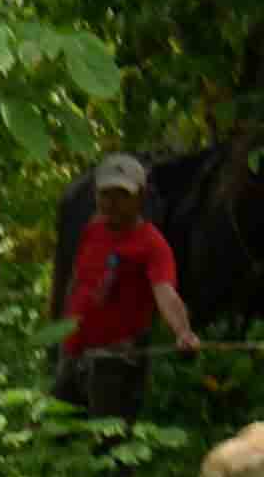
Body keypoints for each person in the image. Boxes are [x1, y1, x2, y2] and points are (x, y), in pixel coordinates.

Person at [56, 149, 204, 418]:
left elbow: (165, 291)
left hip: (115, 360)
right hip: (72, 349)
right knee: (58, 429)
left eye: (122, 195)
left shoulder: (152, 244)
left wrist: (183, 332)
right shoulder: (93, 228)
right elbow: (78, 279)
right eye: (106, 194)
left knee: (108, 441)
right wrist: (61, 325)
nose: (112, 202)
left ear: (140, 197)